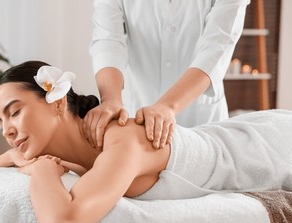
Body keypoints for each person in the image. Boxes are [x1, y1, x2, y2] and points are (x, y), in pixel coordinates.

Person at [0, 61, 292, 223]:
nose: (6, 130)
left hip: (270, 148)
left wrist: (41, 171)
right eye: (0, 121)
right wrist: (19, 158)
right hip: (239, 136)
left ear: (57, 103)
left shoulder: (124, 142)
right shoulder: (92, 153)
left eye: (15, 112)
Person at [85, 0, 250, 150]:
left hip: (200, 119)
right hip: (136, 109)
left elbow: (216, 48)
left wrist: (167, 106)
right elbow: (108, 41)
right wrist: (110, 100)